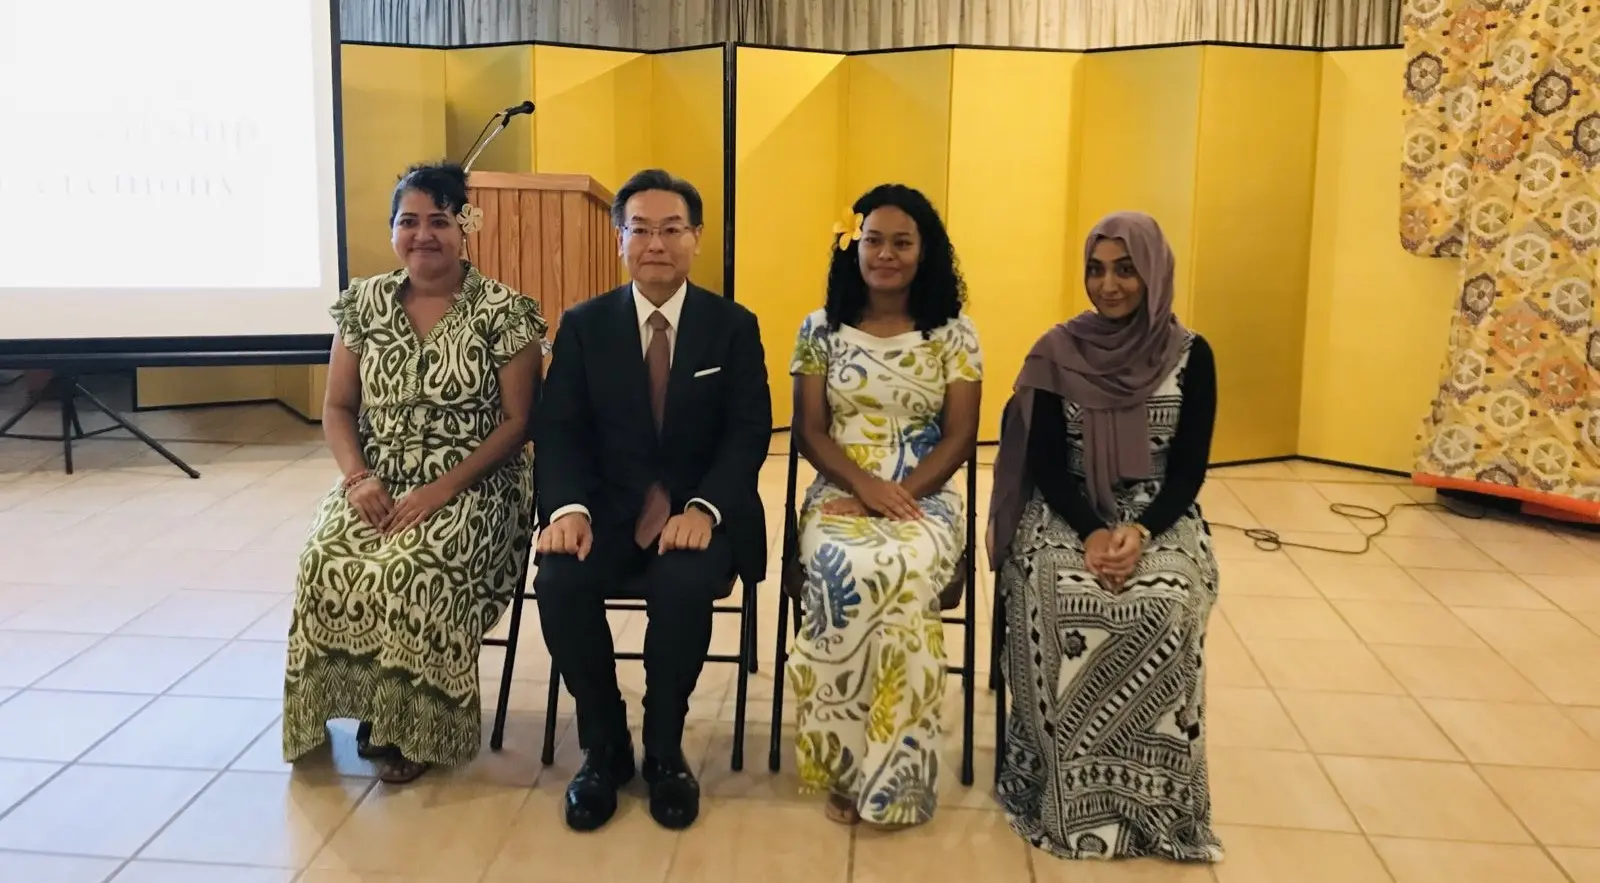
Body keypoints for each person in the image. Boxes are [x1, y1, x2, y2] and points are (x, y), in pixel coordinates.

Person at [283, 161, 547, 784]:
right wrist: (358, 479)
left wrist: (439, 490)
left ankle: (415, 728)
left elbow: (519, 423)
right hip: (378, 476)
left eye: (439, 221)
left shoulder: (504, 311)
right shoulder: (364, 304)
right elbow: (337, 408)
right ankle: (368, 706)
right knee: (324, 559)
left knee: (413, 571)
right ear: (392, 229)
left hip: (478, 483)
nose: (423, 235)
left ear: (464, 227)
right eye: (409, 221)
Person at [533, 168, 772, 832]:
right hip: (606, 511)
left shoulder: (732, 325)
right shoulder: (585, 325)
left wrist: (705, 509)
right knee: (558, 579)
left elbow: (749, 430)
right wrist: (568, 511)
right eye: (640, 229)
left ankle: (664, 747)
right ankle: (605, 743)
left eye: (672, 229)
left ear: (697, 237)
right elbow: (559, 430)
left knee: (685, 584)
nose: (656, 244)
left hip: (698, 513)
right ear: (620, 240)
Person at [987, 211, 1222, 863]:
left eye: (1125, 269)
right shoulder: (1057, 351)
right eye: (1096, 269)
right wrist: (1092, 532)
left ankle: (1155, 802)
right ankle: (1060, 791)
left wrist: (1141, 531)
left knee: (1165, 603)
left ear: (1154, 273)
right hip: (1066, 509)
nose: (1108, 284)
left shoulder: (1191, 355)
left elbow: (1189, 469)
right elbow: (1046, 463)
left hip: (1157, 514)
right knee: (1058, 592)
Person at [785, 184, 983, 828]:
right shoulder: (819, 330)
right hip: (839, 489)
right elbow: (811, 431)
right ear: (854, 246)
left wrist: (901, 493)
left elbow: (959, 437)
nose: (886, 254)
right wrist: (864, 488)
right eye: (873, 240)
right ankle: (844, 767)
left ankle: (896, 775)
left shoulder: (954, 334)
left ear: (926, 252)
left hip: (925, 494)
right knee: (842, 570)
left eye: (902, 242)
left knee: (905, 572)